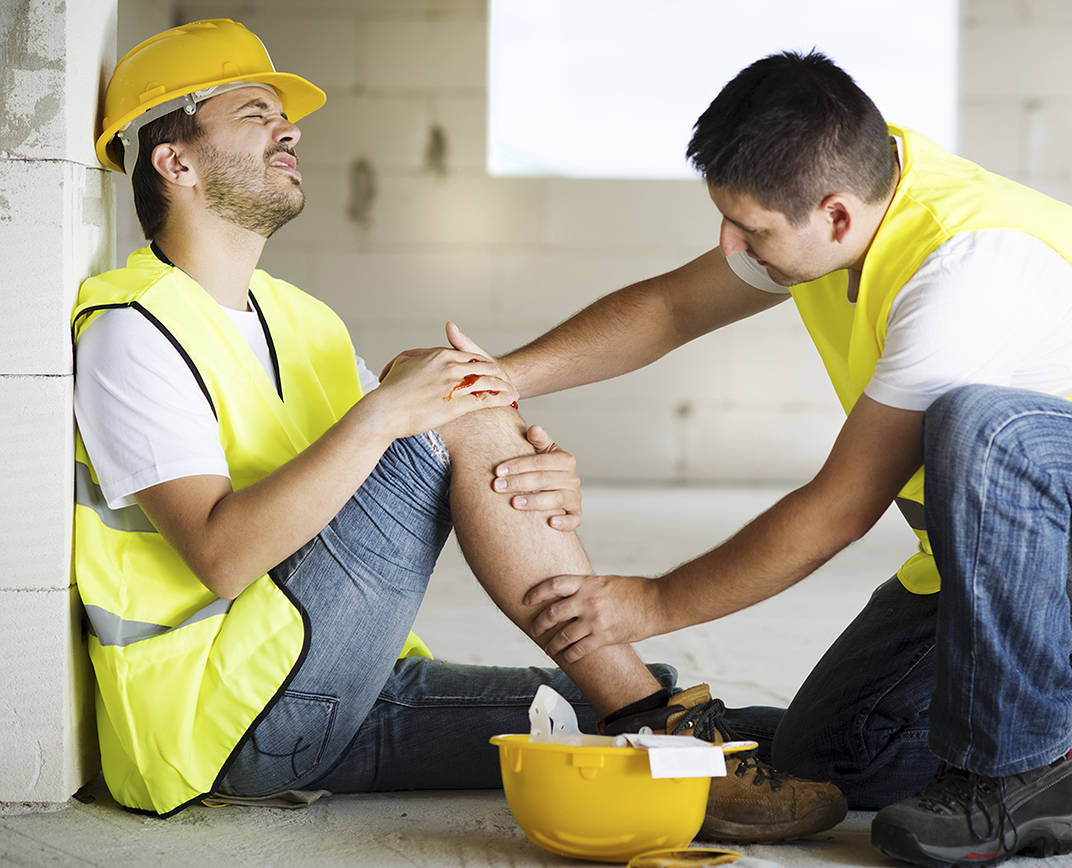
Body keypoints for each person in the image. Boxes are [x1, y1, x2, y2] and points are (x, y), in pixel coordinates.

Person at [481, 51, 1072, 866]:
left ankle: (1020, 776)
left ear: (832, 214)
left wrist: (651, 602)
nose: (730, 244)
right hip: (1032, 546)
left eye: (748, 228)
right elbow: (670, 307)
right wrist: (501, 377)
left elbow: (838, 509)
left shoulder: (959, 272)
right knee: (827, 757)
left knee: (986, 425)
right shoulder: (856, 195)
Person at [72, 20, 847, 842]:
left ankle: (712, 729)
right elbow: (222, 558)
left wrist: (531, 472)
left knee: (723, 724)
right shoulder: (132, 327)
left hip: (336, 691)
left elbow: (422, 457)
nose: (289, 128)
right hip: (221, 723)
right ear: (175, 161)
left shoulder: (303, 322)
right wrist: (407, 415)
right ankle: (656, 717)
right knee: (453, 389)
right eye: (256, 111)